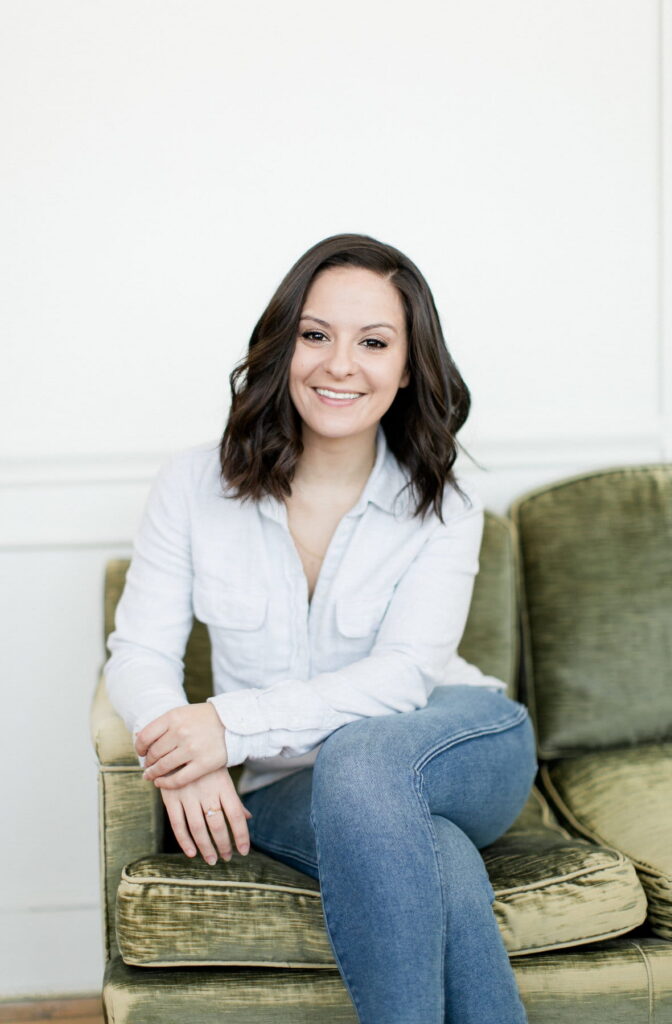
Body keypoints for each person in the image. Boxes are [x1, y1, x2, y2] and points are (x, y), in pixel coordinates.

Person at [104, 232, 538, 1024]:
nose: (340, 365)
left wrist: (225, 727)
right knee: (432, 857)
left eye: (373, 342)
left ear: (408, 368)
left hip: (456, 740)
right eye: (316, 335)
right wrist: (181, 751)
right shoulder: (192, 485)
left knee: (363, 754)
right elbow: (138, 651)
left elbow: (402, 679)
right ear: (283, 347)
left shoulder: (443, 505)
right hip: (286, 788)